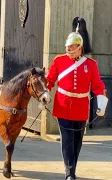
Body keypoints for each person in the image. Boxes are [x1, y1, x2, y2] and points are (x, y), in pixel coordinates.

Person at [46, 17, 108, 180]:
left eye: (73, 47)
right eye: (68, 47)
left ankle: (72, 168)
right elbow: (50, 80)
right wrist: (44, 93)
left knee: (77, 142)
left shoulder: (91, 64)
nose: (69, 49)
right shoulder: (59, 61)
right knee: (67, 140)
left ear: (80, 48)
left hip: (81, 107)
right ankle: (70, 173)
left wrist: (101, 102)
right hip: (63, 106)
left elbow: (98, 85)